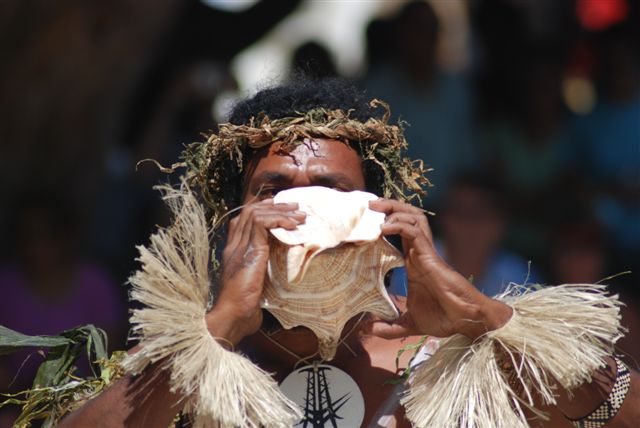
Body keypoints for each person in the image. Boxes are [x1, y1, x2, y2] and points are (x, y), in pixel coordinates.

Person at [59, 78, 638, 427]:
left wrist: (483, 319)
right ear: (234, 223)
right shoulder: (182, 369)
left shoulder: (451, 363)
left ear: (377, 217)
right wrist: (215, 332)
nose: (300, 210)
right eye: (273, 192)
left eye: (329, 190)